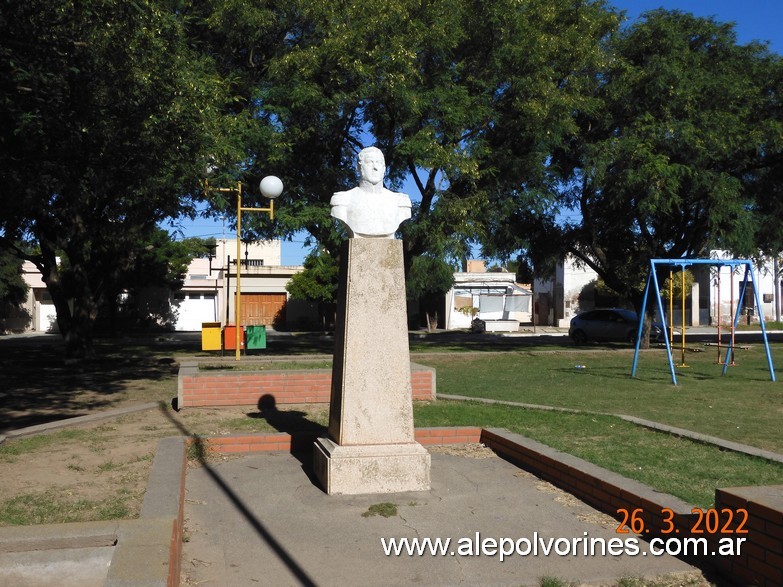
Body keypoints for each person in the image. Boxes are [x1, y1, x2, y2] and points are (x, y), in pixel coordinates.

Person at [330, 147, 412, 238]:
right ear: (359, 167)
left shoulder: (400, 201)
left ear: (384, 168)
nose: (375, 167)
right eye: (369, 162)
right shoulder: (343, 200)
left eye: (379, 163)